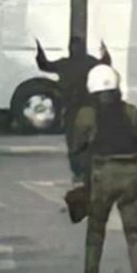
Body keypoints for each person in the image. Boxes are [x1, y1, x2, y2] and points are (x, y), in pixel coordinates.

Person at [70, 64, 137, 273]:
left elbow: (76, 145)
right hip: (130, 175)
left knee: (95, 233)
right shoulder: (131, 112)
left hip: (102, 176)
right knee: (135, 234)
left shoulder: (87, 114)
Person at [36, 37, 111, 181]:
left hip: (71, 108)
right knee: (90, 139)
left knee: (73, 142)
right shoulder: (90, 62)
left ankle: (78, 172)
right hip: (89, 107)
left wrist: (39, 51)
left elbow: (44, 65)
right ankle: (90, 170)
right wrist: (105, 52)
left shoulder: (65, 63)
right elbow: (105, 65)